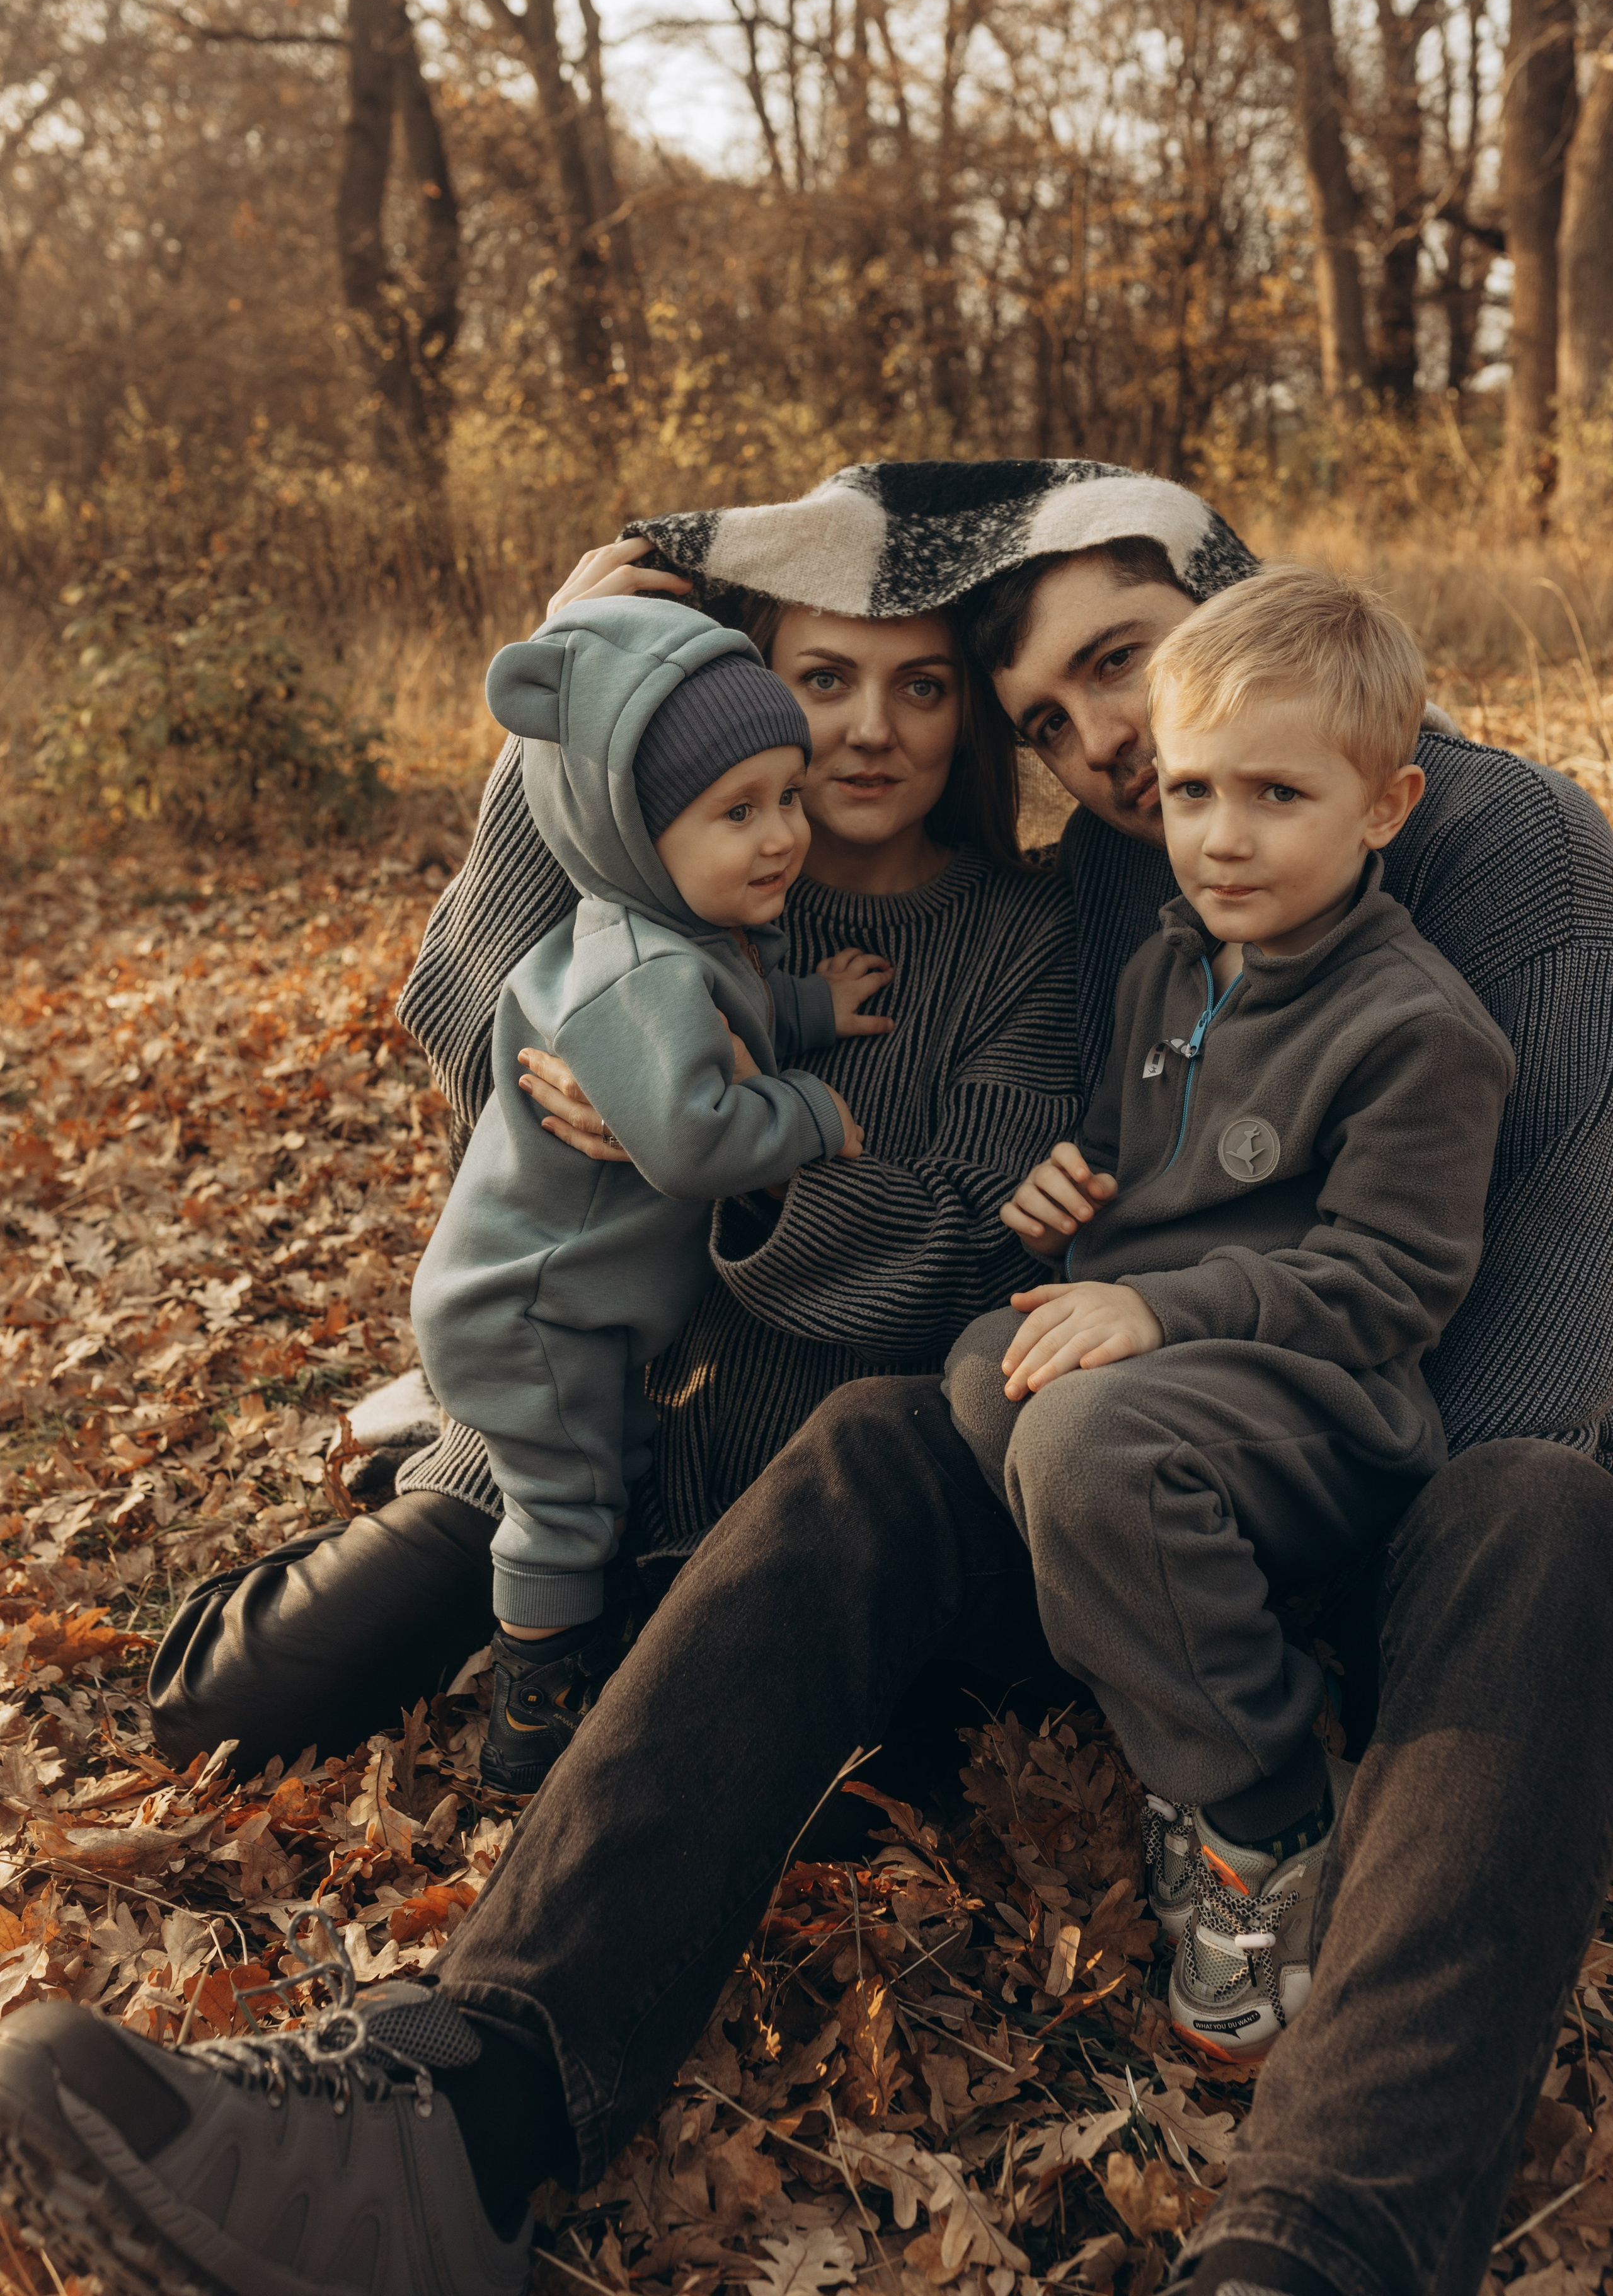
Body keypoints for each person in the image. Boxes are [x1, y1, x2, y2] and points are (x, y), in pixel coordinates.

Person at [38, 464, 1610, 2296]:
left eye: (1125, 660)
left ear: (1234, 597)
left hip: (1368, 1466)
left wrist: (1311, 1670)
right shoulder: (1129, 861)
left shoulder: (1506, 852)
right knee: (888, 1437)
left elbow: (1548, 1320)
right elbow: (552, 970)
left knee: (1543, 1512)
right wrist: (594, 657)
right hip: (1133, 1473)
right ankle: (471, 2106)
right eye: (1053, 718)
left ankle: (1322, 2247)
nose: (1109, 743)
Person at [145, 540, 1087, 1776]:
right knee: (224, 1711)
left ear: (965, 711)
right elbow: (472, 1047)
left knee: (794, 1805)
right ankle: (418, 1481)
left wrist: (747, 1167)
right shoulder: (666, 878)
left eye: (919, 685)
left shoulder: (1020, 935)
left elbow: (968, 1243)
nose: (868, 731)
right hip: (566, 1415)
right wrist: (564, 705)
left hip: (788, 1473)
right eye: (822, 680)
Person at [944, 563, 1513, 2058]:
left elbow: (1386, 1284)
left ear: (1381, 807)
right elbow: (1155, 1180)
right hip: (1179, 1370)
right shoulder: (1165, 972)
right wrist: (1075, 1201)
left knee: (1075, 1448)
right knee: (974, 1373)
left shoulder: (1415, 1029)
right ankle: (1183, 1678)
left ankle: (1261, 1806)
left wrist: (1154, 1312)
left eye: (1274, 795)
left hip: (1326, 1410)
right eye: (1192, 793)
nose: (1219, 836)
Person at [413, 600, 883, 1792]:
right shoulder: (636, 972)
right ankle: (538, 1716)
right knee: (565, 1504)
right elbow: (688, 1136)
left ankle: (577, 1639)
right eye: (737, 812)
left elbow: (735, 1019)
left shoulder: (680, 933)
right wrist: (813, 1118)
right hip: (532, 1307)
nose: (782, 835)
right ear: (631, 828)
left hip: (563, 1301)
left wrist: (811, 1010)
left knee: (605, 1464)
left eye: (788, 796)